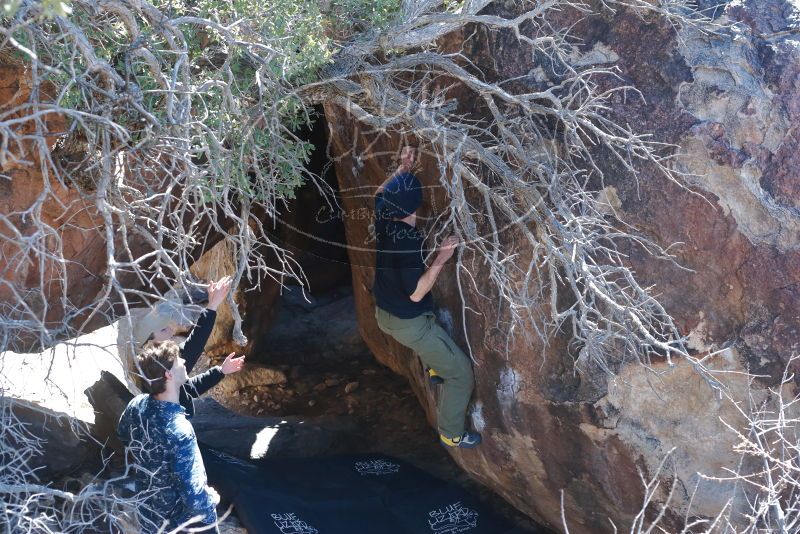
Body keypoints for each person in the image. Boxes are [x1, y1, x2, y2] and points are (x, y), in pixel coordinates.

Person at [373, 144, 481, 449]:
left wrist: (403, 168)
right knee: (460, 375)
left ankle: (434, 367)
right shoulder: (407, 241)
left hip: (384, 315)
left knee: (428, 333)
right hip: (409, 322)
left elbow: (379, 194)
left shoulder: (383, 215)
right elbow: (418, 292)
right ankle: (452, 433)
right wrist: (442, 257)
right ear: (415, 207)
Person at [118, 341, 222, 533]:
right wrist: (211, 500)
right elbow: (194, 499)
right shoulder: (179, 429)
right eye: (178, 360)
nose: (183, 361)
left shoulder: (137, 404)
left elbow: (124, 435)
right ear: (169, 374)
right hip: (176, 524)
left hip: (147, 512)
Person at [132, 276, 245, 418]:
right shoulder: (163, 364)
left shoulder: (156, 367)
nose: (172, 330)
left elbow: (186, 389)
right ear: (149, 344)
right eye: (163, 330)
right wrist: (212, 306)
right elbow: (195, 344)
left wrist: (220, 371)